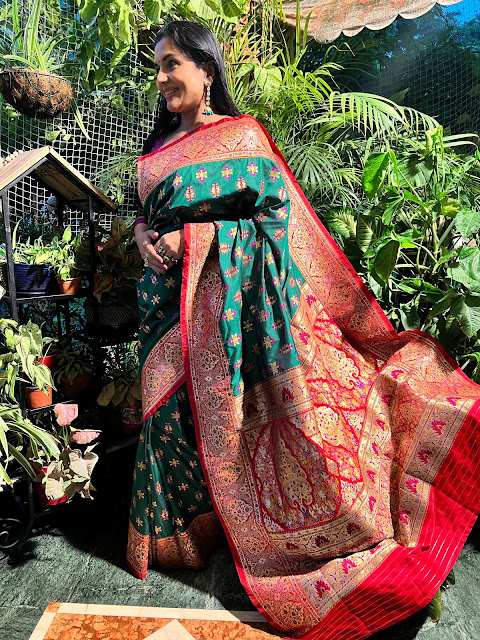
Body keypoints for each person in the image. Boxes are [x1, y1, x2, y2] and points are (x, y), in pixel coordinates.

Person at [128, 20, 480, 640]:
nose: (160, 79)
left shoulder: (242, 137)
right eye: (155, 67)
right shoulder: (154, 153)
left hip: (238, 312)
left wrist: (199, 239)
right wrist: (140, 236)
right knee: (171, 420)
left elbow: (275, 219)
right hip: (166, 309)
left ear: (207, 71)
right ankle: (188, 531)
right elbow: (145, 213)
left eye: (170, 64)